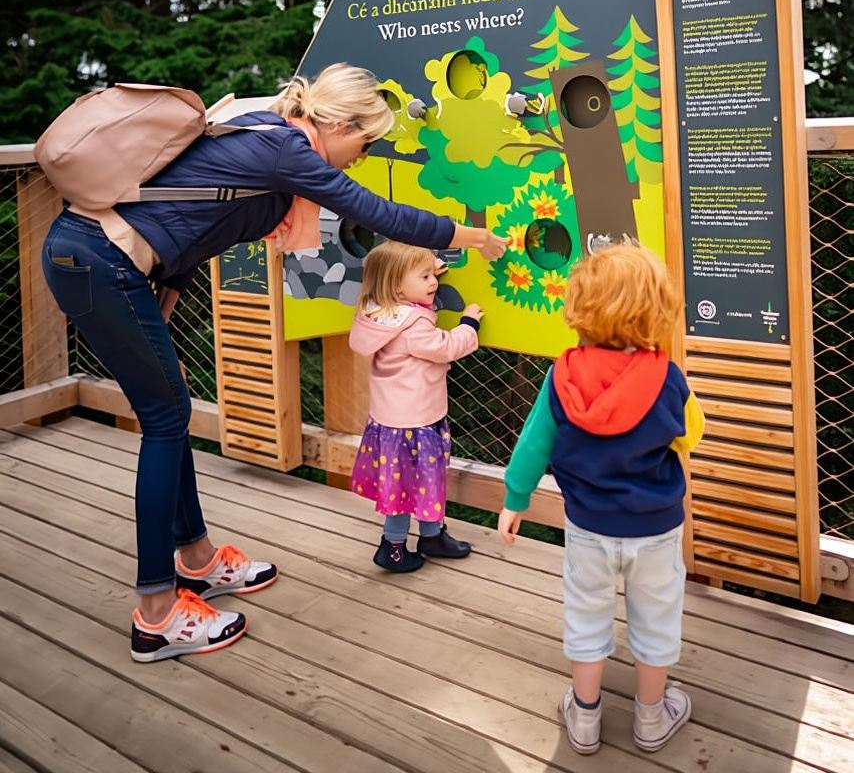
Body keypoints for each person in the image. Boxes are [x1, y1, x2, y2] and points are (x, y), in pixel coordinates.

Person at [41, 64, 506, 661]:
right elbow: (378, 214)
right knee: (165, 419)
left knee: (169, 412)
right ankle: (157, 614)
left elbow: (189, 227)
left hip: (108, 265)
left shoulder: (264, 142)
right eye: (363, 145)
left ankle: (197, 560)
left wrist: (161, 312)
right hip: (100, 261)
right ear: (338, 125)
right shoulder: (283, 147)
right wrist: (468, 237)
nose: (360, 159)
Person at [497, 245, 704, 756]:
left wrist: (515, 498)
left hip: (587, 527)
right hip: (656, 529)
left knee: (586, 616)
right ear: (655, 310)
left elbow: (532, 446)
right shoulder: (668, 378)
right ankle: (652, 718)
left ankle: (585, 718)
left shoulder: (561, 377)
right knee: (655, 618)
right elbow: (690, 435)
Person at [349, 240, 483, 572]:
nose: (434, 282)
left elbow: (410, 289)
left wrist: (424, 269)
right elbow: (445, 346)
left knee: (420, 479)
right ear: (397, 286)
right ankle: (392, 546)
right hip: (416, 423)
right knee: (412, 483)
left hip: (393, 420)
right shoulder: (414, 325)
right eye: (425, 277)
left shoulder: (380, 312)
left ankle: (432, 535)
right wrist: (469, 324)